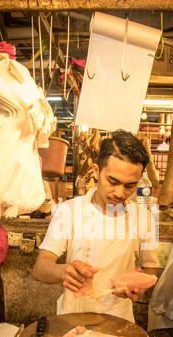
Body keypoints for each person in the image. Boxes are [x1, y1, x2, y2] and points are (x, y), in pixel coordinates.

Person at [33, 129, 160, 322]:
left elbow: (151, 270)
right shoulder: (70, 211)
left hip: (120, 322)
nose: (119, 192)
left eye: (129, 186)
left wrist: (137, 285)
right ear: (96, 171)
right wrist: (64, 271)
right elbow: (40, 268)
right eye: (113, 181)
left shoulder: (144, 218)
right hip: (72, 321)